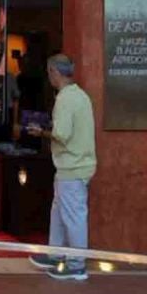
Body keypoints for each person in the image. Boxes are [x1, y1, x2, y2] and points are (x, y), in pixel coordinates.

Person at [28, 54, 97, 282]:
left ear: (54, 72)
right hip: (76, 165)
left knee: (73, 215)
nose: (49, 77)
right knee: (58, 213)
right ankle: (56, 253)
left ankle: (77, 264)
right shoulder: (80, 95)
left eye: (49, 73)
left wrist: (42, 132)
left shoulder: (65, 99)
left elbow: (62, 134)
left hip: (72, 165)